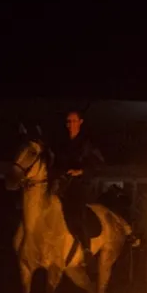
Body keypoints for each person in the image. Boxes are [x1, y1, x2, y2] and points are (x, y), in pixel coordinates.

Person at [54, 109, 105, 262]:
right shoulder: (62, 144)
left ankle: (86, 248)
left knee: (78, 210)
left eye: (74, 121)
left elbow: (98, 164)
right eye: (68, 122)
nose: (70, 125)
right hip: (63, 185)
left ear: (80, 122)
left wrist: (81, 171)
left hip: (81, 186)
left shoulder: (87, 144)